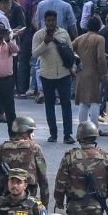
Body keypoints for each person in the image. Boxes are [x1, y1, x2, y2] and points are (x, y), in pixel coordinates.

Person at [32, 11, 76, 143]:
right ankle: (53, 134)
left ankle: (68, 134)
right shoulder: (39, 35)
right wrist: (45, 42)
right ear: (44, 21)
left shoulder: (63, 33)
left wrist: (72, 69)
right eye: (48, 20)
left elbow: (70, 51)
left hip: (63, 74)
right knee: (49, 105)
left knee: (66, 105)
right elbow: (34, 54)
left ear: (56, 21)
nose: (51, 23)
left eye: (53, 20)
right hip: (47, 75)